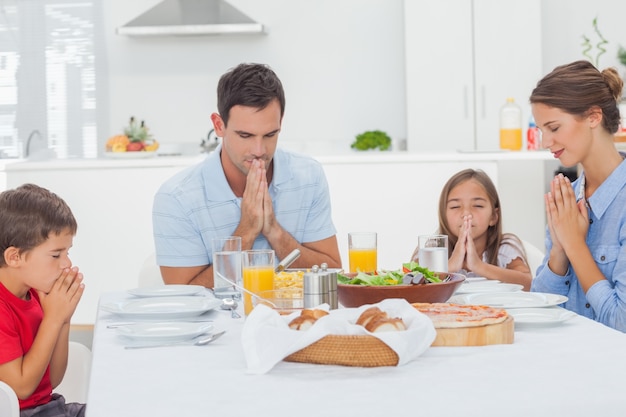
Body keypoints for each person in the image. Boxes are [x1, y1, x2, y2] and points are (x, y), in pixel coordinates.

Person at [152, 63, 341, 288]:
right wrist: (246, 231)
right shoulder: (176, 198)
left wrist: (276, 233)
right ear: (219, 125)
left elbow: (332, 272)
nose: (259, 150)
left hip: (294, 321)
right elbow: (183, 296)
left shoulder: (308, 176)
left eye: (270, 134)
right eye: (245, 135)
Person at [530, 60, 626, 332]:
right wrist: (559, 252)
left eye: (554, 128)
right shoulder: (566, 199)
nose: (545, 142)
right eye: (541, 131)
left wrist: (574, 244)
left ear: (594, 117)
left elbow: (622, 323)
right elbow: (540, 312)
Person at [0, 184, 85, 417]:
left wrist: (64, 319)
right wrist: (53, 319)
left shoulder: (36, 293)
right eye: (56, 255)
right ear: (15, 257)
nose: (66, 263)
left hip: (50, 407)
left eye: (67, 252)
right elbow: (23, 388)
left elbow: (53, 379)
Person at [411, 169, 532, 290]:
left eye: (478, 205)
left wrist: (478, 266)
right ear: (443, 215)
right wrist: (450, 266)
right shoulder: (432, 247)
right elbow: (409, 282)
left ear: (494, 216)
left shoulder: (504, 247)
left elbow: (529, 284)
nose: (466, 213)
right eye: (455, 206)